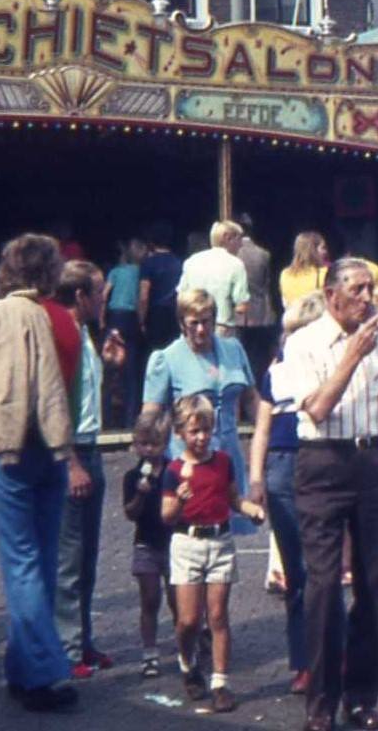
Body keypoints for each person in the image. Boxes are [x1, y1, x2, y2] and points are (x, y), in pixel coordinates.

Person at [277, 258, 378, 731]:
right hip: (323, 463)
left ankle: (361, 697)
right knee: (324, 584)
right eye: (356, 289)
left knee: (375, 583)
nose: (366, 298)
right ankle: (321, 702)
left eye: (369, 289)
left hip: (374, 463)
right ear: (331, 295)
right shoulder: (304, 344)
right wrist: (351, 355)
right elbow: (316, 407)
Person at [0, 233, 80, 712]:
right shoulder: (67, 324)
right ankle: (22, 664)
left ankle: (46, 671)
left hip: (12, 447)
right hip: (54, 449)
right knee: (44, 561)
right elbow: (69, 391)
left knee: (21, 562)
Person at [247, 294, 333, 696]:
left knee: (325, 567)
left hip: (318, 461)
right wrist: (255, 478)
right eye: (291, 332)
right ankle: (303, 661)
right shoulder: (275, 372)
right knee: (296, 573)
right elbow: (262, 428)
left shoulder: (328, 369)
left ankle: (334, 652)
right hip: (282, 466)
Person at [161, 394, 267, 713]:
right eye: (194, 431)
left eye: (206, 429)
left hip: (220, 542)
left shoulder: (222, 462)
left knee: (218, 615)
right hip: (187, 544)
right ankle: (187, 662)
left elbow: (233, 499)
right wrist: (179, 500)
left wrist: (251, 508)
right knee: (188, 621)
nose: (201, 437)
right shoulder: (174, 470)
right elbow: (166, 515)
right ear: (180, 433)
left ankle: (220, 682)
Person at [138, 290, 260, 538]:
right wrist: (151, 463)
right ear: (182, 323)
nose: (201, 330)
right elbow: (150, 417)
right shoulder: (166, 359)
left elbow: (251, 398)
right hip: (188, 461)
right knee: (192, 529)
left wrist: (269, 435)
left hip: (228, 455)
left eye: (206, 321)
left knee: (226, 530)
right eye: (194, 323)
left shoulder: (233, 349)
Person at [55, 259, 126, 679]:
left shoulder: (83, 334)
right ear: (81, 295)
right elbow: (55, 404)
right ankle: (67, 648)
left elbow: (89, 400)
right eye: (99, 292)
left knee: (87, 556)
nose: (105, 299)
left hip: (91, 448)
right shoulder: (62, 335)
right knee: (69, 557)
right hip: (75, 451)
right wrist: (70, 463)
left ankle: (82, 640)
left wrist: (110, 366)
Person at [122, 414, 173, 679]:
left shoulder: (173, 471)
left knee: (179, 602)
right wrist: (140, 494)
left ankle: (188, 647)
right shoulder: (132, 476)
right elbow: (129, 513)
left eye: (153, 444)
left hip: (173, 543)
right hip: (145, 544)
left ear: (164, 444)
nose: (148, 450)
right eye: (143, 444)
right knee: (150, 599)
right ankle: (149, 653)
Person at [180, 220, 252, 335]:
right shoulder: (236, 264)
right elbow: (241, 306)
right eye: (239, 239)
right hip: (222, 328)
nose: (241, 245)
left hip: (192, 327)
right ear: (227, 238)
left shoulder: (191, 261)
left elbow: (181, 296)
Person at [232, 213, 279, 385]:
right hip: (259, 312)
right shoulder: (263, 254)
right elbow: (267, 284)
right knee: (257, 357)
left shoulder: (233, 255)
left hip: (237, 313)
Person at [104, 238, 145, 425]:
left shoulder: (114, 272)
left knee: (109, 368)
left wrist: (101, 320)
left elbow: (104, 295)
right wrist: (141, 322)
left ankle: (106, 418)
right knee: (131, 370)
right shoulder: (139, 272)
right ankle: (130, 419)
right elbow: (140, 298)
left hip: (114, 317)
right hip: (131, 318)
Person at [136, 222, 184, 361]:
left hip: (155, 315)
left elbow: (144, 295)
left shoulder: (148, 263)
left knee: (156, 355)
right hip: (175, 313)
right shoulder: (178, 262)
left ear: (151, 241)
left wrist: (141, 320)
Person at [280, 231, 331, 311]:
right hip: (315, 319)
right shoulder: (326, 273)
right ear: (313, 250)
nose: (326, 252)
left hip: (293, 320)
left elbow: (285, 303)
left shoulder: (285, 274)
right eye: (323, 248)